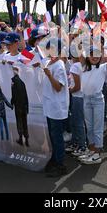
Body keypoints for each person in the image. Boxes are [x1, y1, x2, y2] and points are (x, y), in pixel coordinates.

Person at [78, 46, 107, 165]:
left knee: (97, 128)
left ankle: (97, 154)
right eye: (92, 54)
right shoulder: (83, 66)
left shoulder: (103, 67)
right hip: (86, 100)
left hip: (97, 100)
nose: (95, 57)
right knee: (89, 127)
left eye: (97, 55)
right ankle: (92, 150)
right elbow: (78, 51)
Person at [42, 39, 69, 177]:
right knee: (52, 135)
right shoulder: (48, 62)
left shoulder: (59, 65)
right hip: (49, 106)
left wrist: (49, 75)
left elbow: (58, 87)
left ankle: (61, 165)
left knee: (57, 136)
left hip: (57, 107)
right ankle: (55, 158)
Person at [11, 72, 30, 147]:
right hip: (24, 107)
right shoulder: (22, 83)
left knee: (19, 123)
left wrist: (11, 104)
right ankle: (27, 141)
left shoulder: (14, 84)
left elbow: (13, 96)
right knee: (25, 123)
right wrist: (27, 107)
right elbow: (26, 96)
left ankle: (21, 139)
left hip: (18, 107)